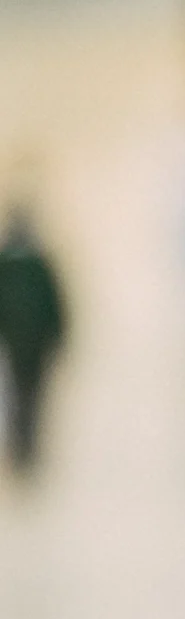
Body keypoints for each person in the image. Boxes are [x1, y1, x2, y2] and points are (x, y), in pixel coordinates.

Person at [0, 202, 68, 473]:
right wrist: (59, 335)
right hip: (31, 345)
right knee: (29, 394)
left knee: (20, 393)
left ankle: (22, 445)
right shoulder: (37, 264)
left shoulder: (26, 265)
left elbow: (55, 305)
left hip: (18, 344)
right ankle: (24, 445)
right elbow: (56, 306)